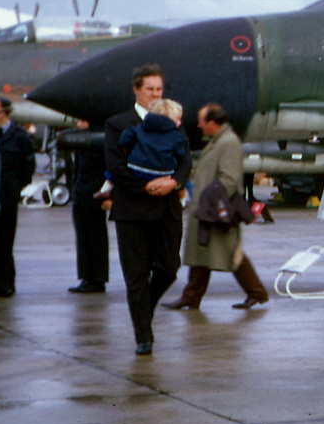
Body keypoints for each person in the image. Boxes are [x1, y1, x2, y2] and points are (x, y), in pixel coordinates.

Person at [105, 65, 191, 355]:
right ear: (136, 90)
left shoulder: (173, 118)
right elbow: (116, 166)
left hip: (167, 208)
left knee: (169, 269)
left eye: (159, 89)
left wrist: (175, 181)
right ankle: (144, 335)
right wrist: (148, 186)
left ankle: (145, 309)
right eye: (150, 89)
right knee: (136, 276)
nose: (155, 94)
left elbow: (186, 160)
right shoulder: (119, 124)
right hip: (132, 211)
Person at [164, 104, 269, 310]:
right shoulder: (218, 141)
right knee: (203, 252)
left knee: (230, 252)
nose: (199, 125)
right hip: (208, 209)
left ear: (212, 123)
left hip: (215, 210)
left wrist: (209, 202)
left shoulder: (228, 143)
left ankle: (256, 292)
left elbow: (229, 179)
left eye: (202, 121)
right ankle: (191, 296)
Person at [0, 97, 35, 298]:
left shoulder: (20, 136)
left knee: (4, 241)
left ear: (3, 113)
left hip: (8, 194)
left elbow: (28, 167)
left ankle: (2, 284)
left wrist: (16, 188)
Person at [61, 120, 108, 293]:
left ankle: (97, 279)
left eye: (81, 120)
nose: (78, 124)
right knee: (83, 236)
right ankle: (87, 277)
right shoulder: (84, 140)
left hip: (93, 192)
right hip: (81, 191)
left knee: (94, 236)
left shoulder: (98, 141)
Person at [118, 99, 188, 182]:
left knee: (116, 169)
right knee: (187, 183)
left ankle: (106, 187)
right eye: (177, 119)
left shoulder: (140, 128)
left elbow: (124, 140)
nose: (179, 123)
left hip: (136, 168)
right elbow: (180, 154)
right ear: (169, 119)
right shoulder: (176, 136)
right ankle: (183, 194)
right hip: (163, 172)